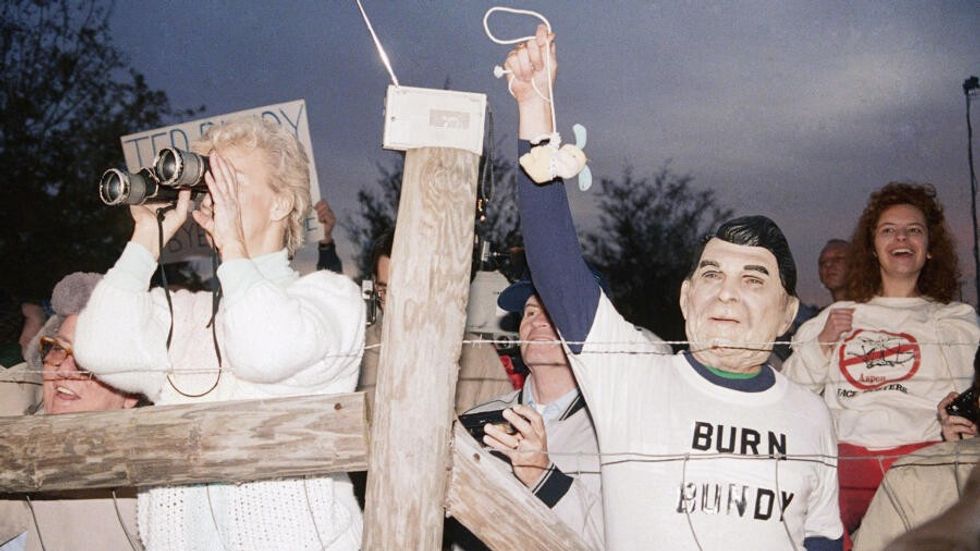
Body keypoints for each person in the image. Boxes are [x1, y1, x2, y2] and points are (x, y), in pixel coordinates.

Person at [502, 26, 843, 550]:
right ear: (686, 298)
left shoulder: (813, 417)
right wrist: (536, 106)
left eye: (753, 279)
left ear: (787, 312)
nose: (726, 293)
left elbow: (820, 534)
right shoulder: (631, 375)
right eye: (711, 275)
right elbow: (555, 265)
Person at [74, 118, 365, 550]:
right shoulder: (189, 312)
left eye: (233, 181)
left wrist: (232, 246)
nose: (217, 193)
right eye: (212, 179)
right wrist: (145, 241)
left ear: (281, 203)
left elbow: (263, 352)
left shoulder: (329, 298)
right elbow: (98, 349)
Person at [783, 183, 980, 535]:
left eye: (913, 230)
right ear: (873, 249)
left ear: (930, 248)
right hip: (844, 463)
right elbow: (788, 392)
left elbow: (969, 401)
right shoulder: (837, 316)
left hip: (922, 460)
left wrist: (959, 424)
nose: (901, 237)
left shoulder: (955, 321)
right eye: (888, 230)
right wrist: (822, 345)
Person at [0, 272, 144, 551]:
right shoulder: (17, 405)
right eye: (58, 349)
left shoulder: (151, 495)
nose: (64, 371)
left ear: (132, 392)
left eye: (88, 359)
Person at [355, 230, 513, 415]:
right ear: (374, 286)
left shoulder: (477, 355)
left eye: (409, 290)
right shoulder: (356, 354)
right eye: (386, 291)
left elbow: (503, 433)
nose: (399, 306)